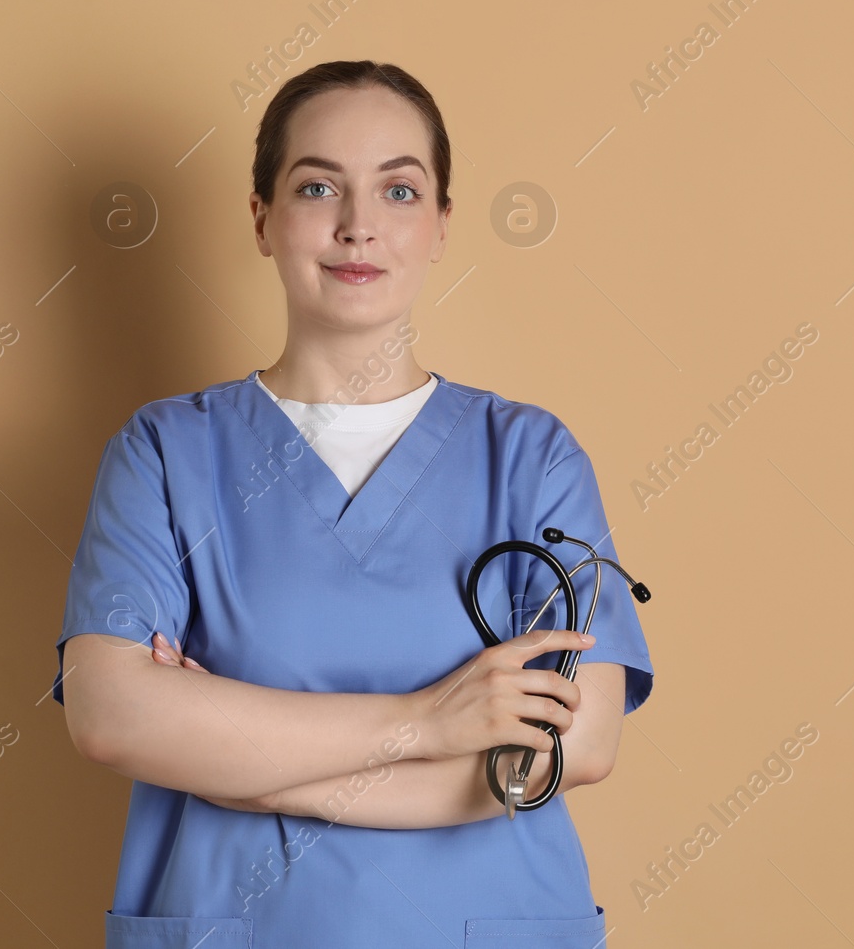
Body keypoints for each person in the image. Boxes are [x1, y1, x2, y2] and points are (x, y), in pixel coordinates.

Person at [55, 59, 655, 947]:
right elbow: (110, 713)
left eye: (400, 190)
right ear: (262, 219)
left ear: (443, 224)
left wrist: (245, 771)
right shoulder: (167, 451)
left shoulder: (529, 456)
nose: (358, 226)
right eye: (318, 186)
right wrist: (431, 720)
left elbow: (572, 749)